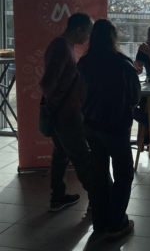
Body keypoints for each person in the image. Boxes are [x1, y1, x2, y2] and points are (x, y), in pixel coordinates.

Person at [78, 19, 140, 241]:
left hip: (90, 124)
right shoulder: (123, 64)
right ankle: (116, 223)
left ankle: (100, 222)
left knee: (100, 174)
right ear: (113, 37)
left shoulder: (84, 62)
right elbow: (135, 97)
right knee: (124, 173)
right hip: (115, 125)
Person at [39, 12, 93, 212]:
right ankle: (98, 201)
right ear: (79, 29)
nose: (88, 37)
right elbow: (47, 83)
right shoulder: (62, 47)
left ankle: (58, 197)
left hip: (62, 113)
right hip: (67, 114)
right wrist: (58, 107)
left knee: (60, 156)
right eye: (88, 32)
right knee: (82, 157)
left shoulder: (63, 46)